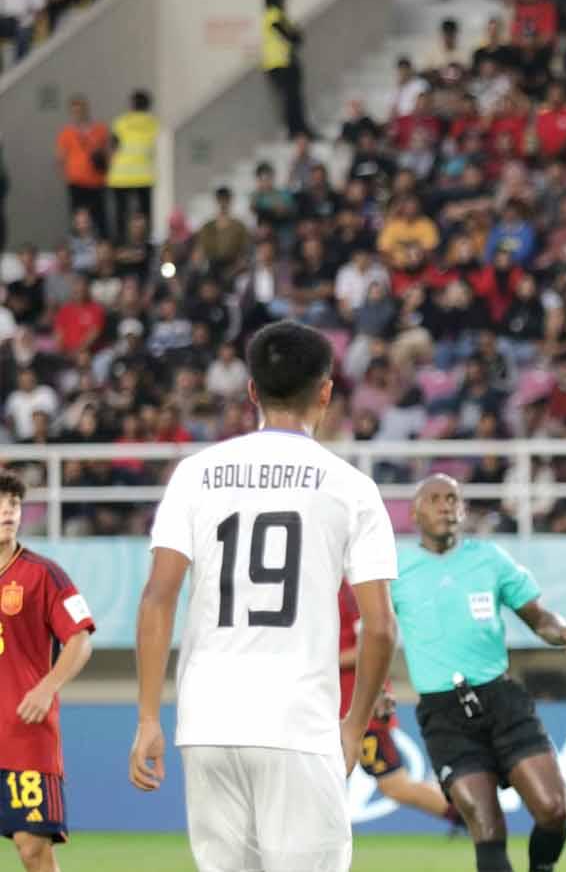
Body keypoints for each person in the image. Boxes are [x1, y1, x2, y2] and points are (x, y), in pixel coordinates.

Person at [129, 320, 400, 872]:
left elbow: (158, 598)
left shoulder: (194, 474)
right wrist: (354, 724)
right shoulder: (351, 488)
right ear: (325, 392)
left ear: (251, 390)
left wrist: (148, 718)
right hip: (298, 724)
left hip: (207, 723)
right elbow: (380, 627)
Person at [391, 474, 566, 872]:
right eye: (435, 499)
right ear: (415, 513)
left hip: (501, 701)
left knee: (554, 809)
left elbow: (538, 617)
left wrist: (562, 632)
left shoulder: (490, 559)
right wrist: (376, 686)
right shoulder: (395, 569)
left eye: (453, 498)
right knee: (486, 825)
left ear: (463, 510)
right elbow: (372, 634)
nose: (446, 505)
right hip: (443, 713)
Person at [0, 470, 95, 872]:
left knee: (33, 849)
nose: (8, 510)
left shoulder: (44, 575)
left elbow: (80, 640)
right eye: (1, 503)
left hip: (25, 734)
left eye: (15, 503)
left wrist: (46, 688)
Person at [335, 580, 458, 826]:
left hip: (360, 707)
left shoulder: (350, 589)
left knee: (395, 785)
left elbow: (370, 642)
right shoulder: (315, 585)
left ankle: (470, 818)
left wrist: (322, 660)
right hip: (328, 707)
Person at [55, 95, 109, 238]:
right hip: (76, 183)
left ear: (87, 110)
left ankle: (102, 248)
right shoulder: (66, 133)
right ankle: (78, 248)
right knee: (78, 221)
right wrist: (66, 177)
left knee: (100, 218)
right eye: (75, 111)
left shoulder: (99, 130)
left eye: (81, 110)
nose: (78, 114)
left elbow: (108, 153)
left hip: (96, 182)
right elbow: (60, 158)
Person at [262, 0, 312, 140]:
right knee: (291, 100)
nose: (285, 2)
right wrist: (294, 34)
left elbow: (296, 37)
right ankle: (295, 130)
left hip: (285, 64)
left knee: (295, 99)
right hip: (280, 65)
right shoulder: (273, 16)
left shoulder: (280, 16)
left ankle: (300, 129)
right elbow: (291, 36)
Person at [107, 89, 158, 240]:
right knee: (145, 216)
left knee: (121, 216)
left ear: (132, 104)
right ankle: (145, 243)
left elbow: (112, 146)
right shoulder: (153, 124)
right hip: (144, 176)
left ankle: (120, 244)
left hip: (120, 176)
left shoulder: (121, 122)